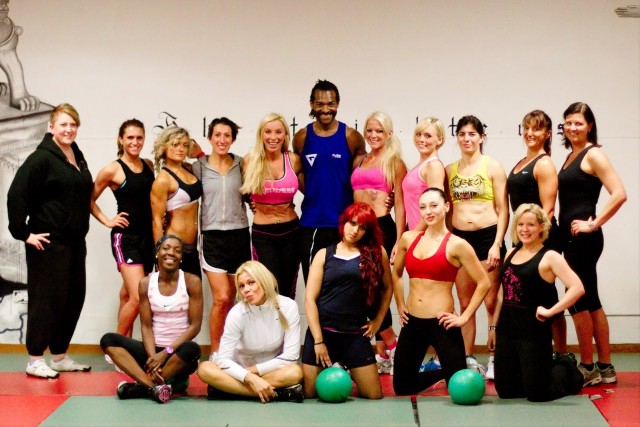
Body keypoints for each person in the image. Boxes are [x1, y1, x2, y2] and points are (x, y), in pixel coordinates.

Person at [7, 103, 93, 378]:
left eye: (73, 124)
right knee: (47, 301)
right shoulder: (41, 158)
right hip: (48, 243)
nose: (69, 129)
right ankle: (35, 359)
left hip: (75, 242)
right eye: (63, 124)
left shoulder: (76, 155)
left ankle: (59, 355)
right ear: (51, 127)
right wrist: (23, 233)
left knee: (73, 298)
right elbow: (16, 194)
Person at [392, 188, 490, 395]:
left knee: (460, 387)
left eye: (434, 205)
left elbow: (484, 283)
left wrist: (464, 318)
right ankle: (441, 373)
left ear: (446, 207)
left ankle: (453, 372)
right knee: (402, 387)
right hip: (413, 322)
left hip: (442, 323)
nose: (428, 211)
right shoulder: (409, 239)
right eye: (423, 207)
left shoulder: (458, 245)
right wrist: (400, 304)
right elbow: (397, 274)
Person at [557, 102, 627, 386]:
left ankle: (588, 367)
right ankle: (606, 366)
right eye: (568, 122)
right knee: (591, 300)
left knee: (576, 299)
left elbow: (619, 193)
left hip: (583, 239)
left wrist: (593, 223)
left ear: (589, 126)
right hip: (571, 238)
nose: (572, 127)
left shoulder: (593, 154)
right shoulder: (571, 155)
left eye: (578, 123)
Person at [492, 204, 584, 401]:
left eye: (531, 225)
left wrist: (551, 311)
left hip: (532, 333)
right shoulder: (511, 253)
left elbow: (577, 288)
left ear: (542, 226)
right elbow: (503, 294)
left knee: (538, 394)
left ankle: (567, 366)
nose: (524, 229)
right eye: (521, 224)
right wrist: (493, 327)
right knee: (507, 392)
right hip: (507, 330)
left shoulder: (550, 257)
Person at [303, 202, 393, 400]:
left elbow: (387, 288)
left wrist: (378, 321)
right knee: (308, 394)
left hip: (354, 336)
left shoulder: (377, 253)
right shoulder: (324, 254)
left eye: (362, 227)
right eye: (352, 223)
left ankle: (345, 366)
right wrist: (318, 340)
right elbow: (309, 299)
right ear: (343, 222)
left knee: (374, 395)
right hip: (324, 334)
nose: (355, 230)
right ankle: (338, 366)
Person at [100, 235, 203, 404]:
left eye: (177, 250)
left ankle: (142, 387)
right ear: (157, 253)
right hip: (152, 353)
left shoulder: (192, 282)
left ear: (181, 257)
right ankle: (153, 387)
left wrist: (166, 352)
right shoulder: (146, 283)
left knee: (193, 349)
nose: (171, 253)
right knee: (108, 339)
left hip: (177, 354)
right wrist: (153, 358)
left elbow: (195, 326)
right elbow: (146, 327)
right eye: (166, 248)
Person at [445, 115, 508, 378]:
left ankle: (495, 358)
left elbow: (503, 210)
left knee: (491, 301)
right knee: (465, 302)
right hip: (461, 239)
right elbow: (446, 209)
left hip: (488, 237)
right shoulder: (449, 170)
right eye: (462, 134)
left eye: (472, 134)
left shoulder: (492, 166)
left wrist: (497, 244)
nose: (467, 139)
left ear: (481, 137)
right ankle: (468, 357)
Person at [197, 261, 304, 403]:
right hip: (239, 371)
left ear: (264, 280)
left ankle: (230, 390)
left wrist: (253, 372)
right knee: (205, 368)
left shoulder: (288, 306)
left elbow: (291, 357)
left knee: (295, 372)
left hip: (268, 372)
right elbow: (223, 359)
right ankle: (275, 394)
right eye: (241, 286)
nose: (245, 290)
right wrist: (249, 378)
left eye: (251, 282)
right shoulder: (237, 313)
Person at [293, 79, 366, 283]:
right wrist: (314, 190)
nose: (326, 109)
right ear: (311, 104)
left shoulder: (352, 137)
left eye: (330, 104)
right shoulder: (301, 137)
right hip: (312, 224)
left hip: (345, 225)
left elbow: (364, 178)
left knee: (343, 286)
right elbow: (295, 173)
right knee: (313, 284)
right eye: (320, 104)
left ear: (338, 104)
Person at [506, 110, 566, 356]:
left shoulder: (543, 163)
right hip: (524, 238)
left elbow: (548, 210)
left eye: (537, 128)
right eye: (527, 128)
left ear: (548, 133)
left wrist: (534, 246)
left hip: (542, 240)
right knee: (526, 298)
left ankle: (561, 354)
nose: (530, 133)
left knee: (548, 297)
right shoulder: (522, 162)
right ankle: (532, 350)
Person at [351, 111, 406, 374]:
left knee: (376, 289)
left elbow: (401, 204)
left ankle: (394, 347)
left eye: (379, 131)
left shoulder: (394, 162)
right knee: (363, 290)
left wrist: (400, 239)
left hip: (381, 227)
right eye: (370, 130)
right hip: (358, 228)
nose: (373, 135)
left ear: (389, 134)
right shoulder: (360, 160)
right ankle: (384, 353)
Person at [191, 117, 251, 359]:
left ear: (233, 139)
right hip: (212, 236)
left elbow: (252, 192)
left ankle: (232, 351)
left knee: (237, 299)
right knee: (222, 297)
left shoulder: (241, 164)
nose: (222, 140)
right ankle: (216, 352)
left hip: (239, 234)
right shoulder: (199, 167)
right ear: (210, 138)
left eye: (227, 135)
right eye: (217, 135)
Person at [90, 119, 154, 337]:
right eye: (130, 138)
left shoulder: (148, 165)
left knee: (127, 294)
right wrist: (108, 220)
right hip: (126, 238)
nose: (135, 142)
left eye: (139, 138)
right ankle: (115, 347)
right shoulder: (112, 170)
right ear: (121, 139)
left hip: (147, 237)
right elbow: (88, 199)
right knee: (138, 297)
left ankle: (126, 344)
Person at [241, 113, 303, 299]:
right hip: (264, 235)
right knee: (268, 289)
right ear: (261, 134)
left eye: (278, 132)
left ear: (285, 135)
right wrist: (251, 202)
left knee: (287, 290)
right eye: (268, 132)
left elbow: (312, 189)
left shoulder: (293, 160)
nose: (273, 137)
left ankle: (287, 320)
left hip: (291, 231)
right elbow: (241, 190)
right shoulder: (250, 160)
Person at [150, 126, 202, 278]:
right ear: (164, 147)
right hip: (172, 248)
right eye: (175, 144)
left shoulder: (190, 169)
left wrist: (200, 154)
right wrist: (159, 255)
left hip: (192, 247)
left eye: (185, 145)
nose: (181, 149)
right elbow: (157, 220)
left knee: (195, 291)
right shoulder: (163, 180)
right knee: (174, 292)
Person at [402, 117, 447, 231]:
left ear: (439, 140)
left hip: (424, 234)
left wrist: (415, 234)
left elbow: (435, 207)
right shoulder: (421, 165)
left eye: (428, 136)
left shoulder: (434, 166)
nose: (421, 139)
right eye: (418, 134)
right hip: (414, 230)